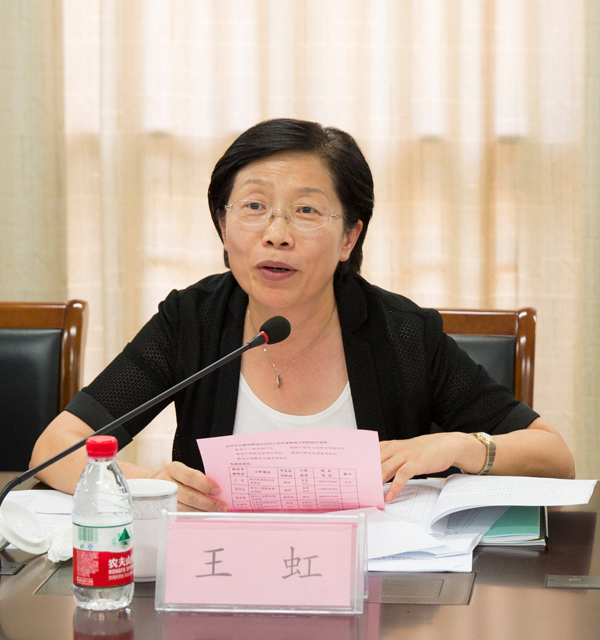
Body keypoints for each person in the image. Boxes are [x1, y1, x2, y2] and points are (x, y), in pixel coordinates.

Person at [30, 118, 575, 511]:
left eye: (307, 210)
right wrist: (150, 484)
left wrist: (463, 446)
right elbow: (56, 448)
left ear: (349, 237)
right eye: (254, 206)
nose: (277, 233)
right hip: (220, 587)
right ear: (223, 226)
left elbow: (554, 455)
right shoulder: (192, 320)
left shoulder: (404, 334)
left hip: (376, 595)